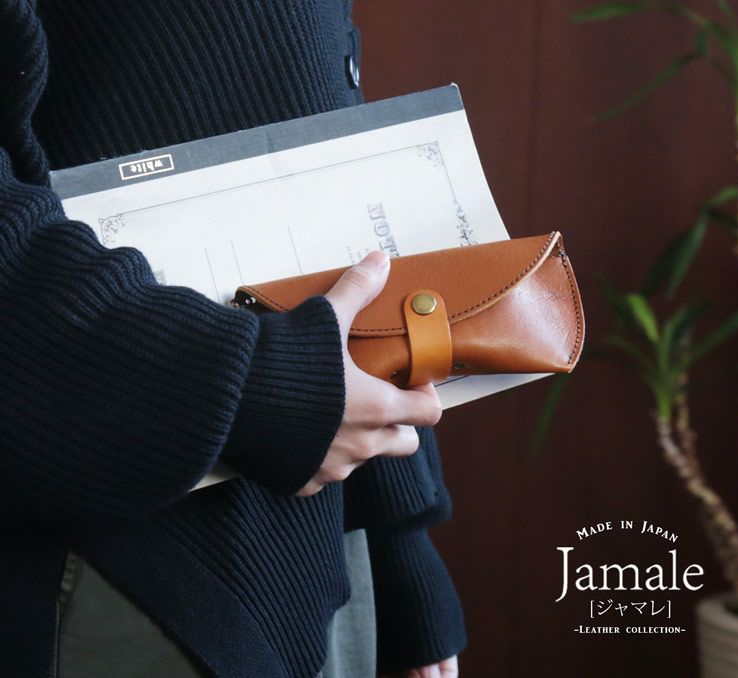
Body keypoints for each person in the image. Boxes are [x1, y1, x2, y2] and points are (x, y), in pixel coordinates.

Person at [0, 1, 466, 676]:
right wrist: (259, 386)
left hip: (319, 527)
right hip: (127, 563)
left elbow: (307, 100)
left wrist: (397, 539)